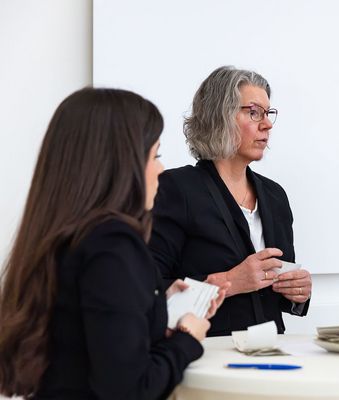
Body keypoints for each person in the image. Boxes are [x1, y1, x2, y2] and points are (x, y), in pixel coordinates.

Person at [0, 88, 226, 399]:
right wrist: (187, 338)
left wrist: (151, 301)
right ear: (122, 163)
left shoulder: (63, 235)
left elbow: (84, 337)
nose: (160, 169)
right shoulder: (113, 245)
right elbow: (129, 390)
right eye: (155, 156)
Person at [149, 66, 312, 336]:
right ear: (220, 117)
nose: (267, 124)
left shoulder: (275, 196)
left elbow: (277, 290)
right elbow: (149, 289)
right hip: (204, 350)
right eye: (254, 112)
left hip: (272, 351)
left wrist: (298, 292)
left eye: (268, 113)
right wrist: (230, 281)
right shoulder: (176, 188)